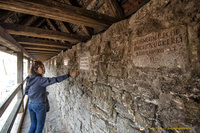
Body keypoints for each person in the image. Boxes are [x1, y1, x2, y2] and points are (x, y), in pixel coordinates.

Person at [25, 60, 78, 133]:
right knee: (39, 127)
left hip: (30, 104)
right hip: (39, 105)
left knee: (33, 125)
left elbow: (26, 92)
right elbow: (55, 79)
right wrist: (69, 75)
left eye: (43, 66)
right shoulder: (40, 80)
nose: (44, 68)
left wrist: (38, 92)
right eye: (41, 67)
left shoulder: (29, 78)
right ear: (35, 69)